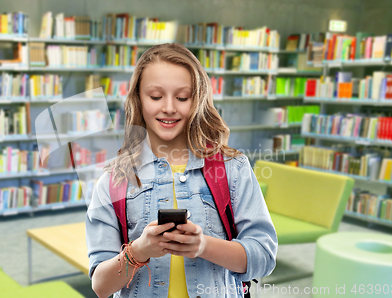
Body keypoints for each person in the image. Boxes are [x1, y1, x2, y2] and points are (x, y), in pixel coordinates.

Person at [86, 43, 277, 298]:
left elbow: (264, 257)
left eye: (182, 97)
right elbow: (101, 286)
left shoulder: (234, 169)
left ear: (197, 100)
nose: (169, 107)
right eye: (155, 96)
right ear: (138, 100)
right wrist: (139, 251)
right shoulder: (113, 181)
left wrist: (204, 246)